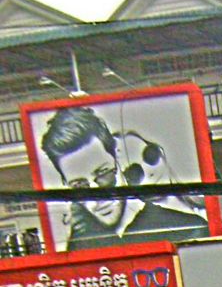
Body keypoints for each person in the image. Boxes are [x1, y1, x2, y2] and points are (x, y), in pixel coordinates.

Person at [40, 107, 210, 250]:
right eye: (80, 187)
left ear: (118, 160)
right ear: (66, 184)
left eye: (104, 174)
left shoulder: (188, 231)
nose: (98, 199)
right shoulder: (77, 249)